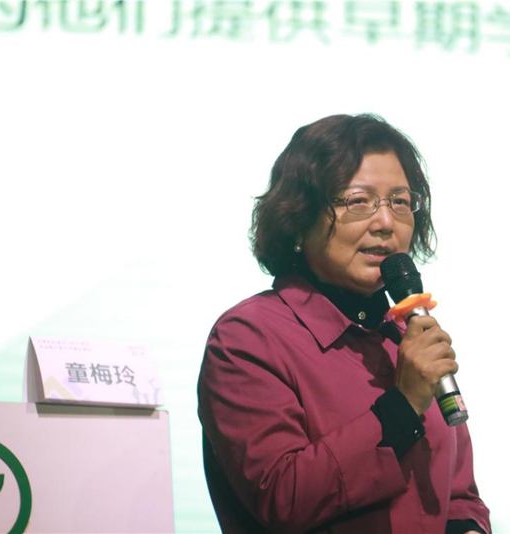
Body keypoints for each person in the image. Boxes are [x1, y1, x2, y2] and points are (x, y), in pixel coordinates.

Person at [197, 113, 490, 534]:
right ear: (299, 218)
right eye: (359, 201)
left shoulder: (405, 339)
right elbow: (283, 498)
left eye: (400, 202)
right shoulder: (247, 338)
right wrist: (403, 404)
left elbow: (457, 494)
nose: (386, 223)